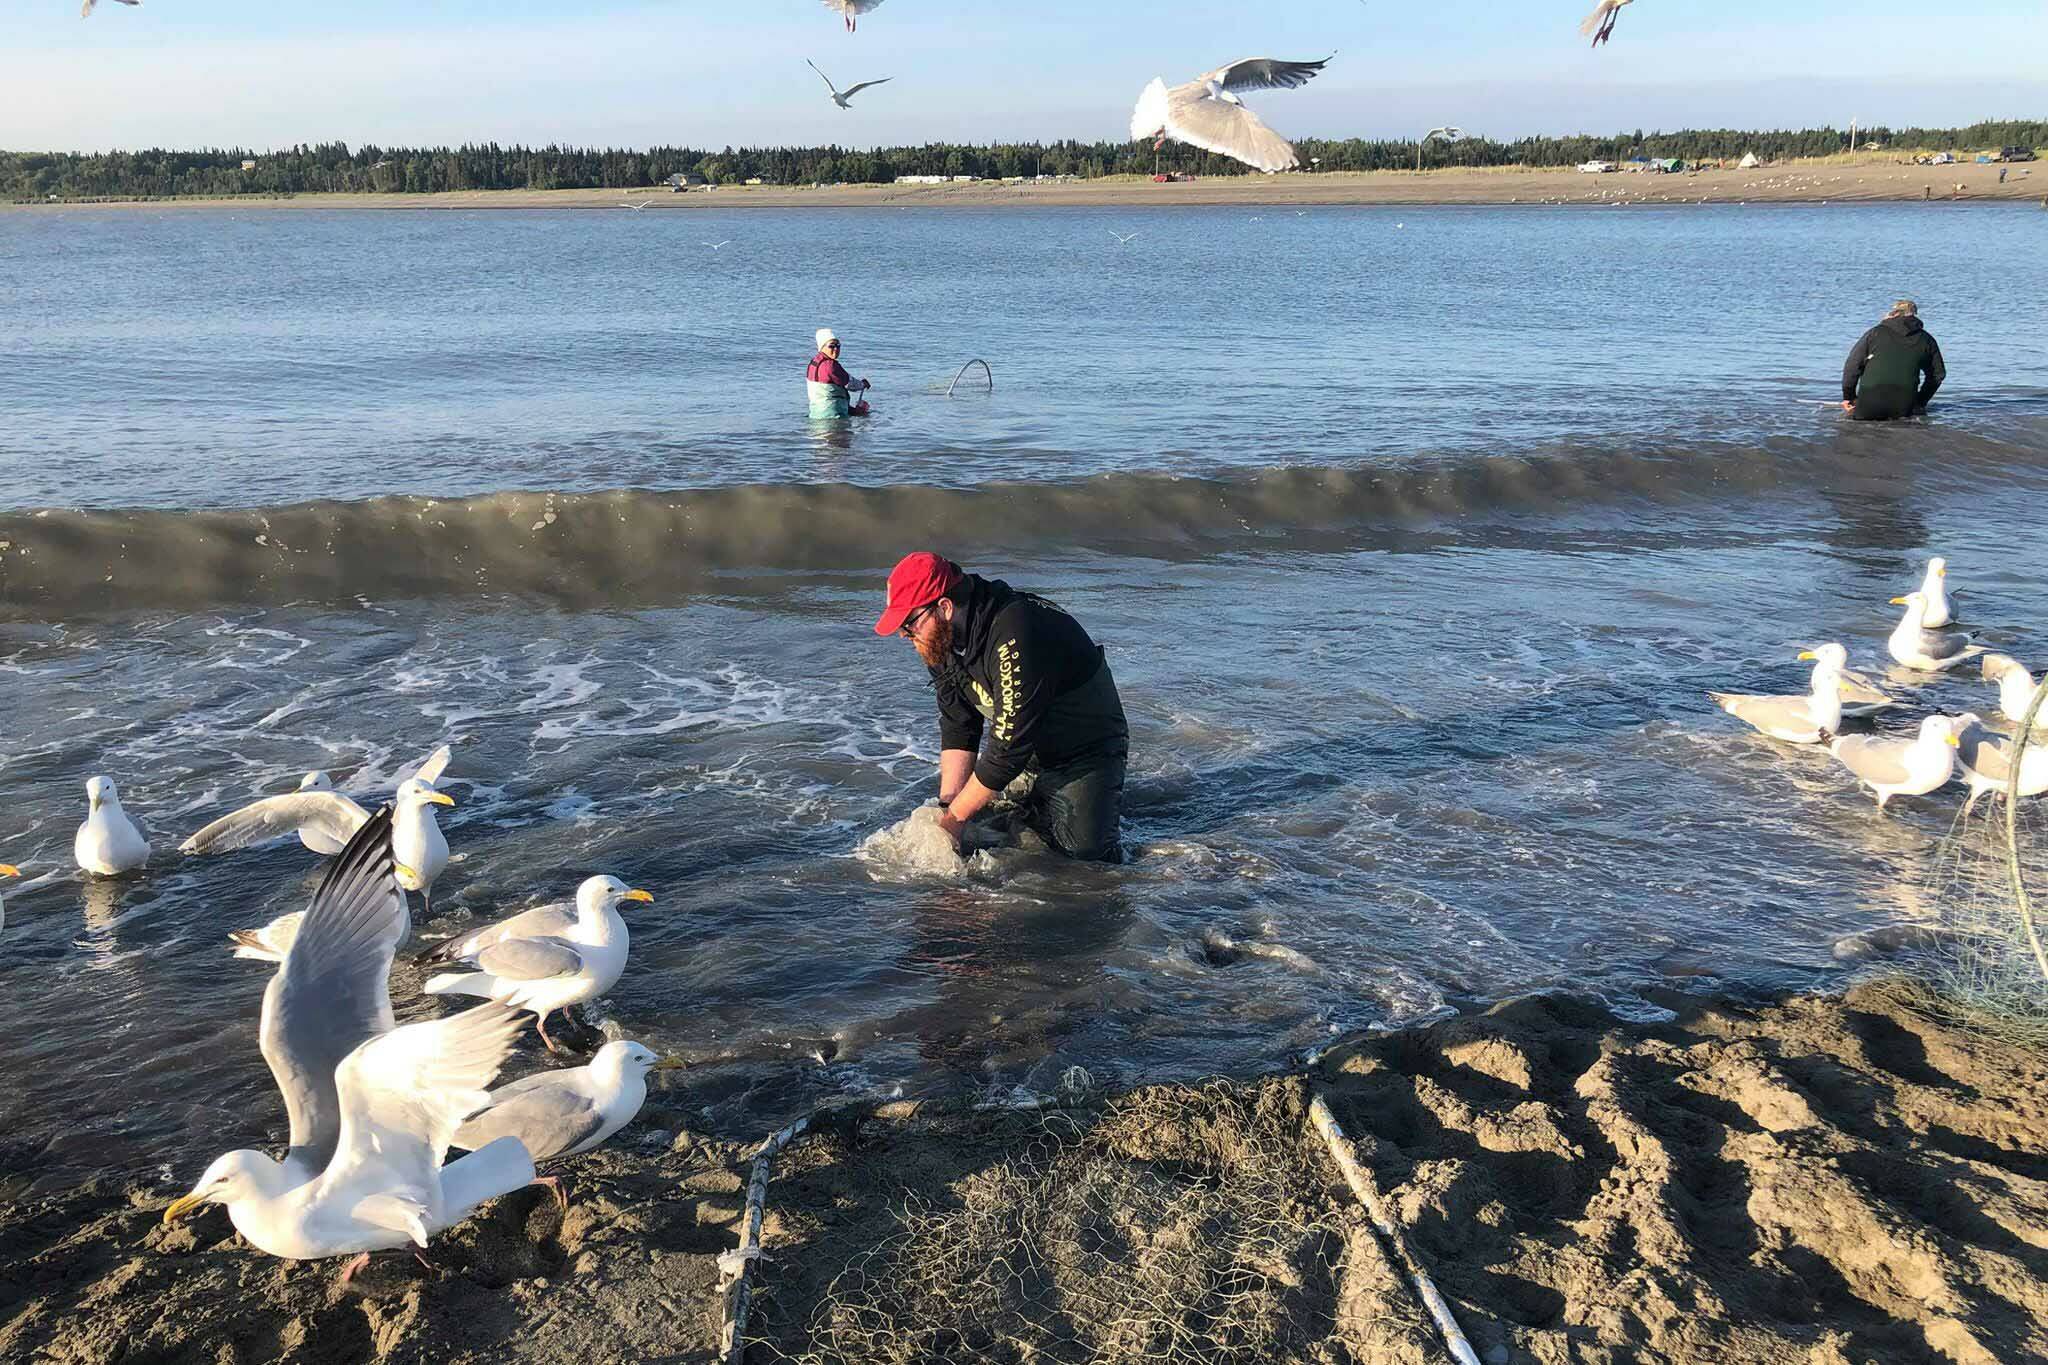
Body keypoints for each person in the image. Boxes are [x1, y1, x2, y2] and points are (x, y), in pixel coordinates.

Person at [875, 552, 1129, 863]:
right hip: (1027, 753)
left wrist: (954, 822)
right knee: (993, 834)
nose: (904, 634)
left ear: (944, 607)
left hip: (1084, 752)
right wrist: (948, 808)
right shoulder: (937, 639)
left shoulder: (1015, 629)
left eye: (909, 623)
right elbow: (958, 724)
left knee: (1083, 864)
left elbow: (1007, 750)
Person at [1841, 299, 1944, 421]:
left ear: (1893, 312)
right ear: (1914, 315)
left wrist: (1849, 397)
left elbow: (1852, 367)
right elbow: (1938, 374)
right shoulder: (1926, 339)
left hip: (1869, 403)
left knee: (1850, 427)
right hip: (1905, 405)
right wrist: (1920, 401)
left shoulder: (1875, 333)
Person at [806, 328, 870, 418]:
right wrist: (862, 384)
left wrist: (850, 410)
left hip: (816, 414)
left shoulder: (813, 363)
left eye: (838, 345)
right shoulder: (830, 366)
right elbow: (849, 383)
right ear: (822, 347)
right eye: (831, 346)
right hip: (833, 417)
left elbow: (828, 395)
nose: (836, 349)